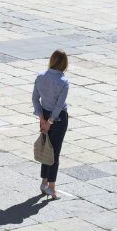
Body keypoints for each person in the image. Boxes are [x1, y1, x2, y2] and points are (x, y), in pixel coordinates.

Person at [33, 50, 70, 200]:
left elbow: (35, 98)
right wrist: (50, 121)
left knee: (46, 147)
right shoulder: (64, 82)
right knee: (55, 152)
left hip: (44, 114)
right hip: (58, 118)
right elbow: (59, 105)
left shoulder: (40, 76)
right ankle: (52, 187)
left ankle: (44, 182)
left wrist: (42, 118)